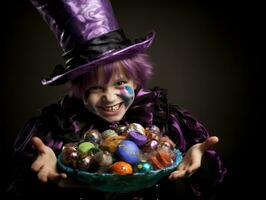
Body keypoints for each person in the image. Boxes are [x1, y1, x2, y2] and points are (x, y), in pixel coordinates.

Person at [7, 0, 227, 199]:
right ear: (78, 90)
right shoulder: (53, 129)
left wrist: (201, 163)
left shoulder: (166, 120)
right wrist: (40, 180)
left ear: (135, 81)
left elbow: (211, 183)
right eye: (95, 88)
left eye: (120, 83)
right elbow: (19, 187)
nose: (110, 97)